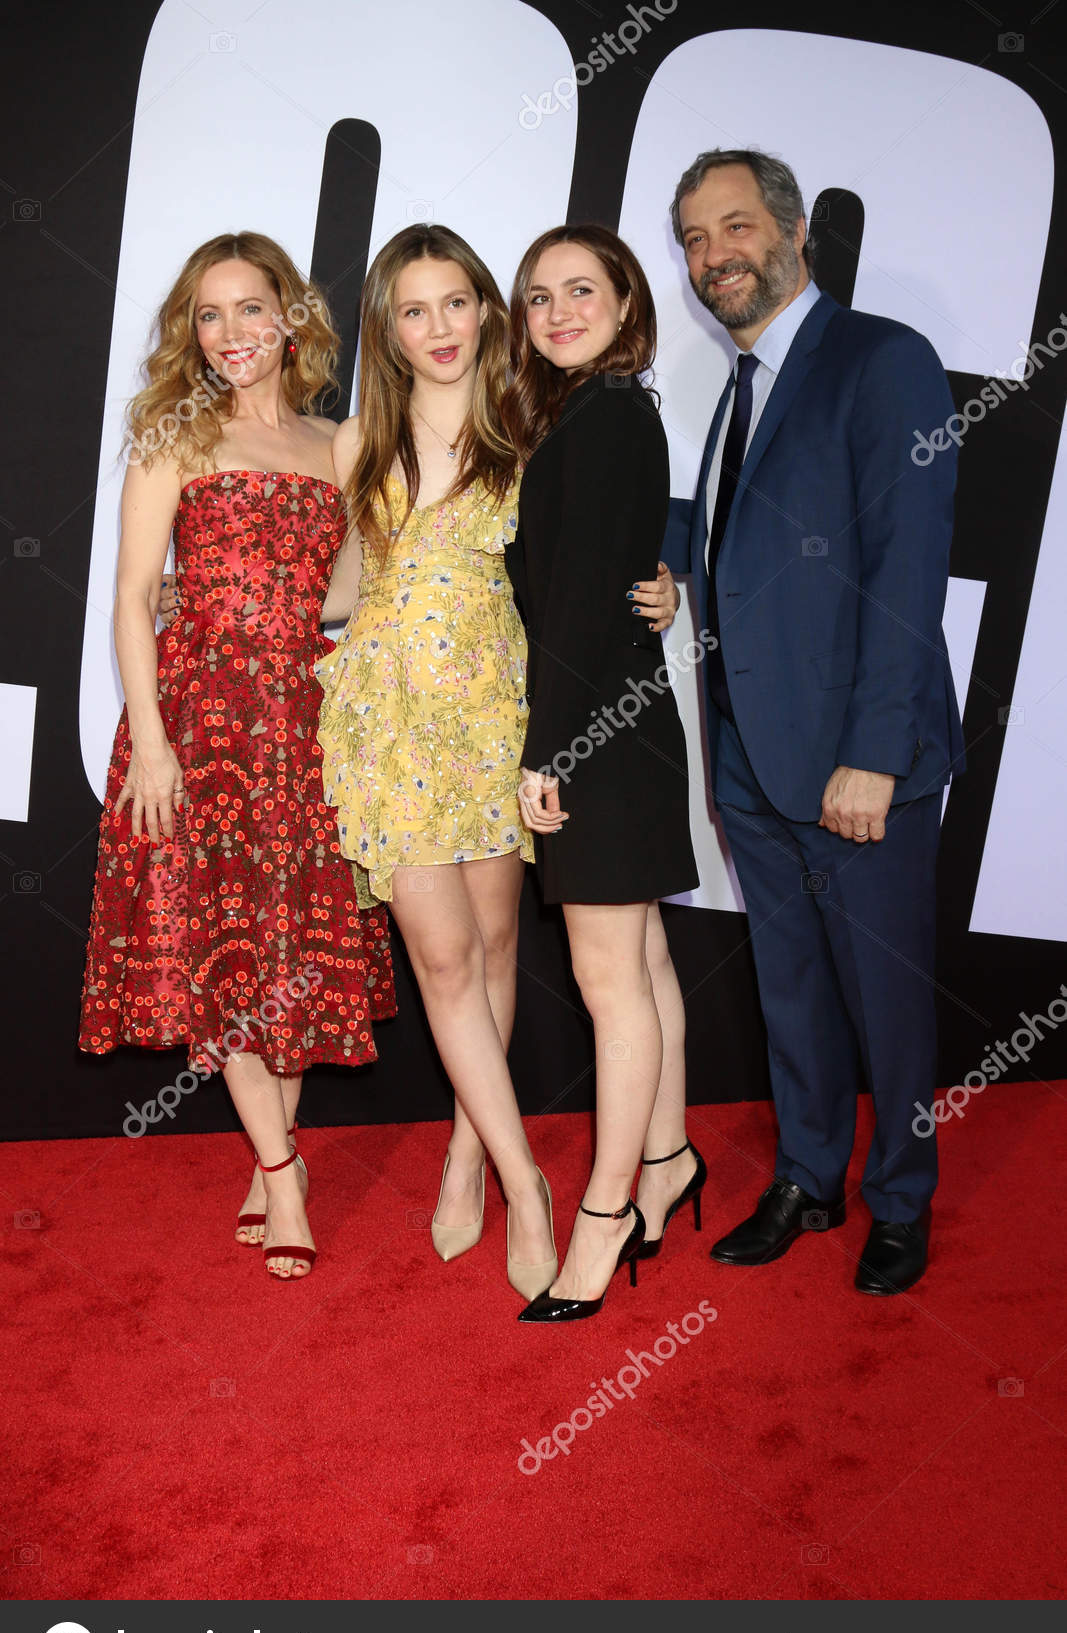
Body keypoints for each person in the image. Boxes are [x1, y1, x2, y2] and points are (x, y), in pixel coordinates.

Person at [315, 224, 681, 1303]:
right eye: (412, 309)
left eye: (456, 303)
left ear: (487, 311)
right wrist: (194, 599)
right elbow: (339, 586)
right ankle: (525, 1179)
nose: (437, 328)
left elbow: (591, 552)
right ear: (388, 326)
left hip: (495, 712)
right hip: (389, 718)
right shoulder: (357, 438)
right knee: (438, 960)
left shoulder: (533, 419)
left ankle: (468, 1147)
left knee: (492, 947)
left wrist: (665, 589)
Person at [671, 148, 964, 1294]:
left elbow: (907, 570)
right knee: (788, 983)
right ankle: (807, 1175)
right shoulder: (737, 386)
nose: (713, 256)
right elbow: (746, 549)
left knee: (883, 1001)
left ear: (791, 230)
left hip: (855, 765)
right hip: (748, 753)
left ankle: (900, 1198)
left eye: (733, 226)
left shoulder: (879, 360)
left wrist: (871, 754)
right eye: (694, 238)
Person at [79, 232, 395, 1281]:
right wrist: (154, 747)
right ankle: (285, 1167)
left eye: (249, 310)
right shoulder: (173, 435)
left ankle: (272, 1164)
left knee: (290, 949)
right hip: (198, 721)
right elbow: (130, 596)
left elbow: (345, 594)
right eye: (208, 316)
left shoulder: (342, 443)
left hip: (301, 722)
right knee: (224, 951)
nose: (230, 335)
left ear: (290, 318)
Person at [504, 225, 702, 1324]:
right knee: (645, 959)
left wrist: (550, 752)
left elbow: (578, 606)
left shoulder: (610, 414)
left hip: (596, 733)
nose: (558, 310)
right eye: (538, 296)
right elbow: (601, 579)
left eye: (582, 289)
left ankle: (606, 1212)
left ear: (628, 301)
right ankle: (667, 1159)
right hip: (621, 718)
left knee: (606, 981)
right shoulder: (593, 414)